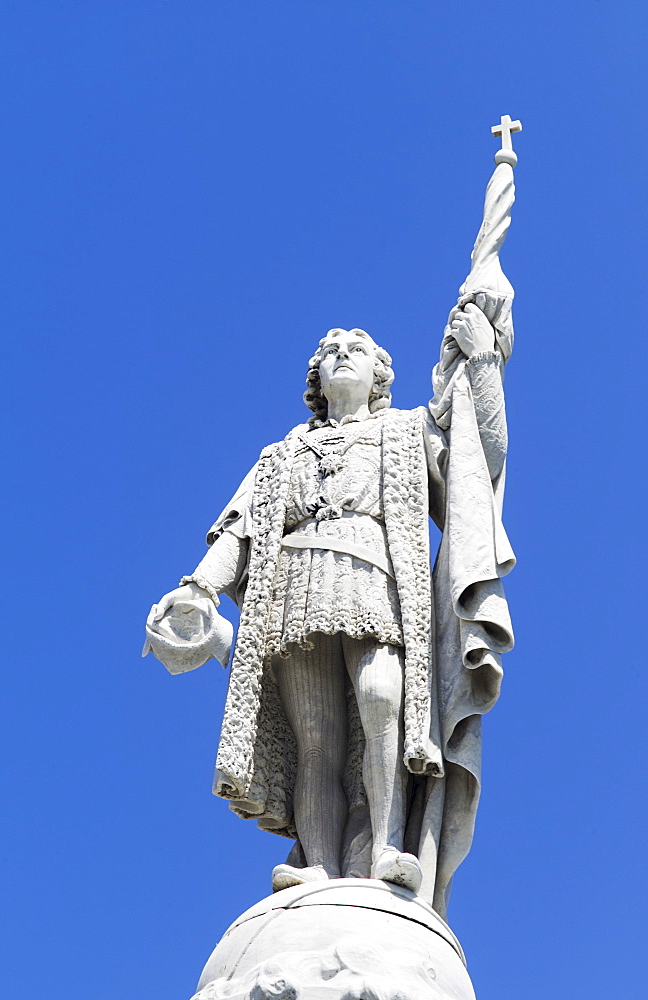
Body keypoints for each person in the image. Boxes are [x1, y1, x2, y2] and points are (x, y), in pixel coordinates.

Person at [148, 301, 514, 916]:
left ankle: (387, 848)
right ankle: (317, 860)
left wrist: (479, 359)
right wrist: (200, 589)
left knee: (382, 703)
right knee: (315, 737)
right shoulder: (278, 455)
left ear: (380, 375)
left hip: (378, 581)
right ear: (316, 379)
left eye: (359, 348)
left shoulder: (406, 431)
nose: (344, 353)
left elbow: (482, 457)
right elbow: (238, 529)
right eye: (331, 349)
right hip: (294, 592)